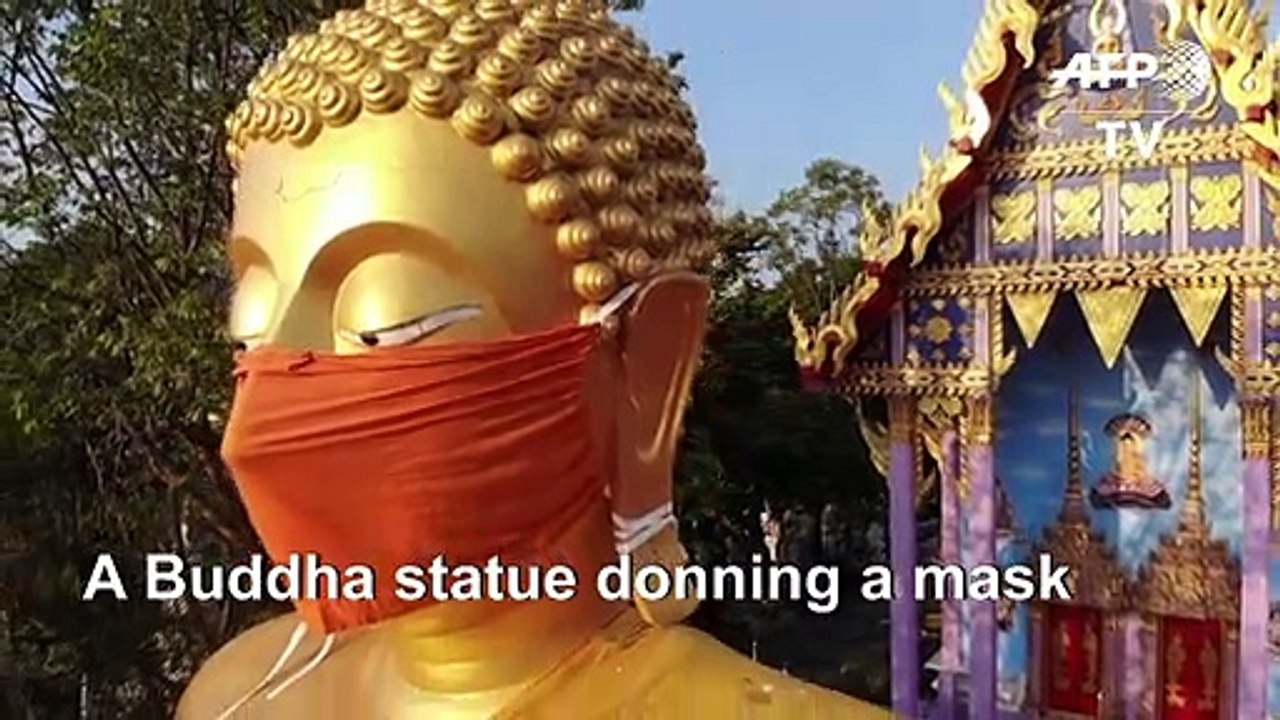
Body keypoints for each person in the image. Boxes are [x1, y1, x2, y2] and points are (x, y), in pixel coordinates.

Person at [176, 1, 892, 718]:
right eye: (250, 335)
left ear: (647, 367)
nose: (263, 421)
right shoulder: (239, 692)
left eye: (386, 324)